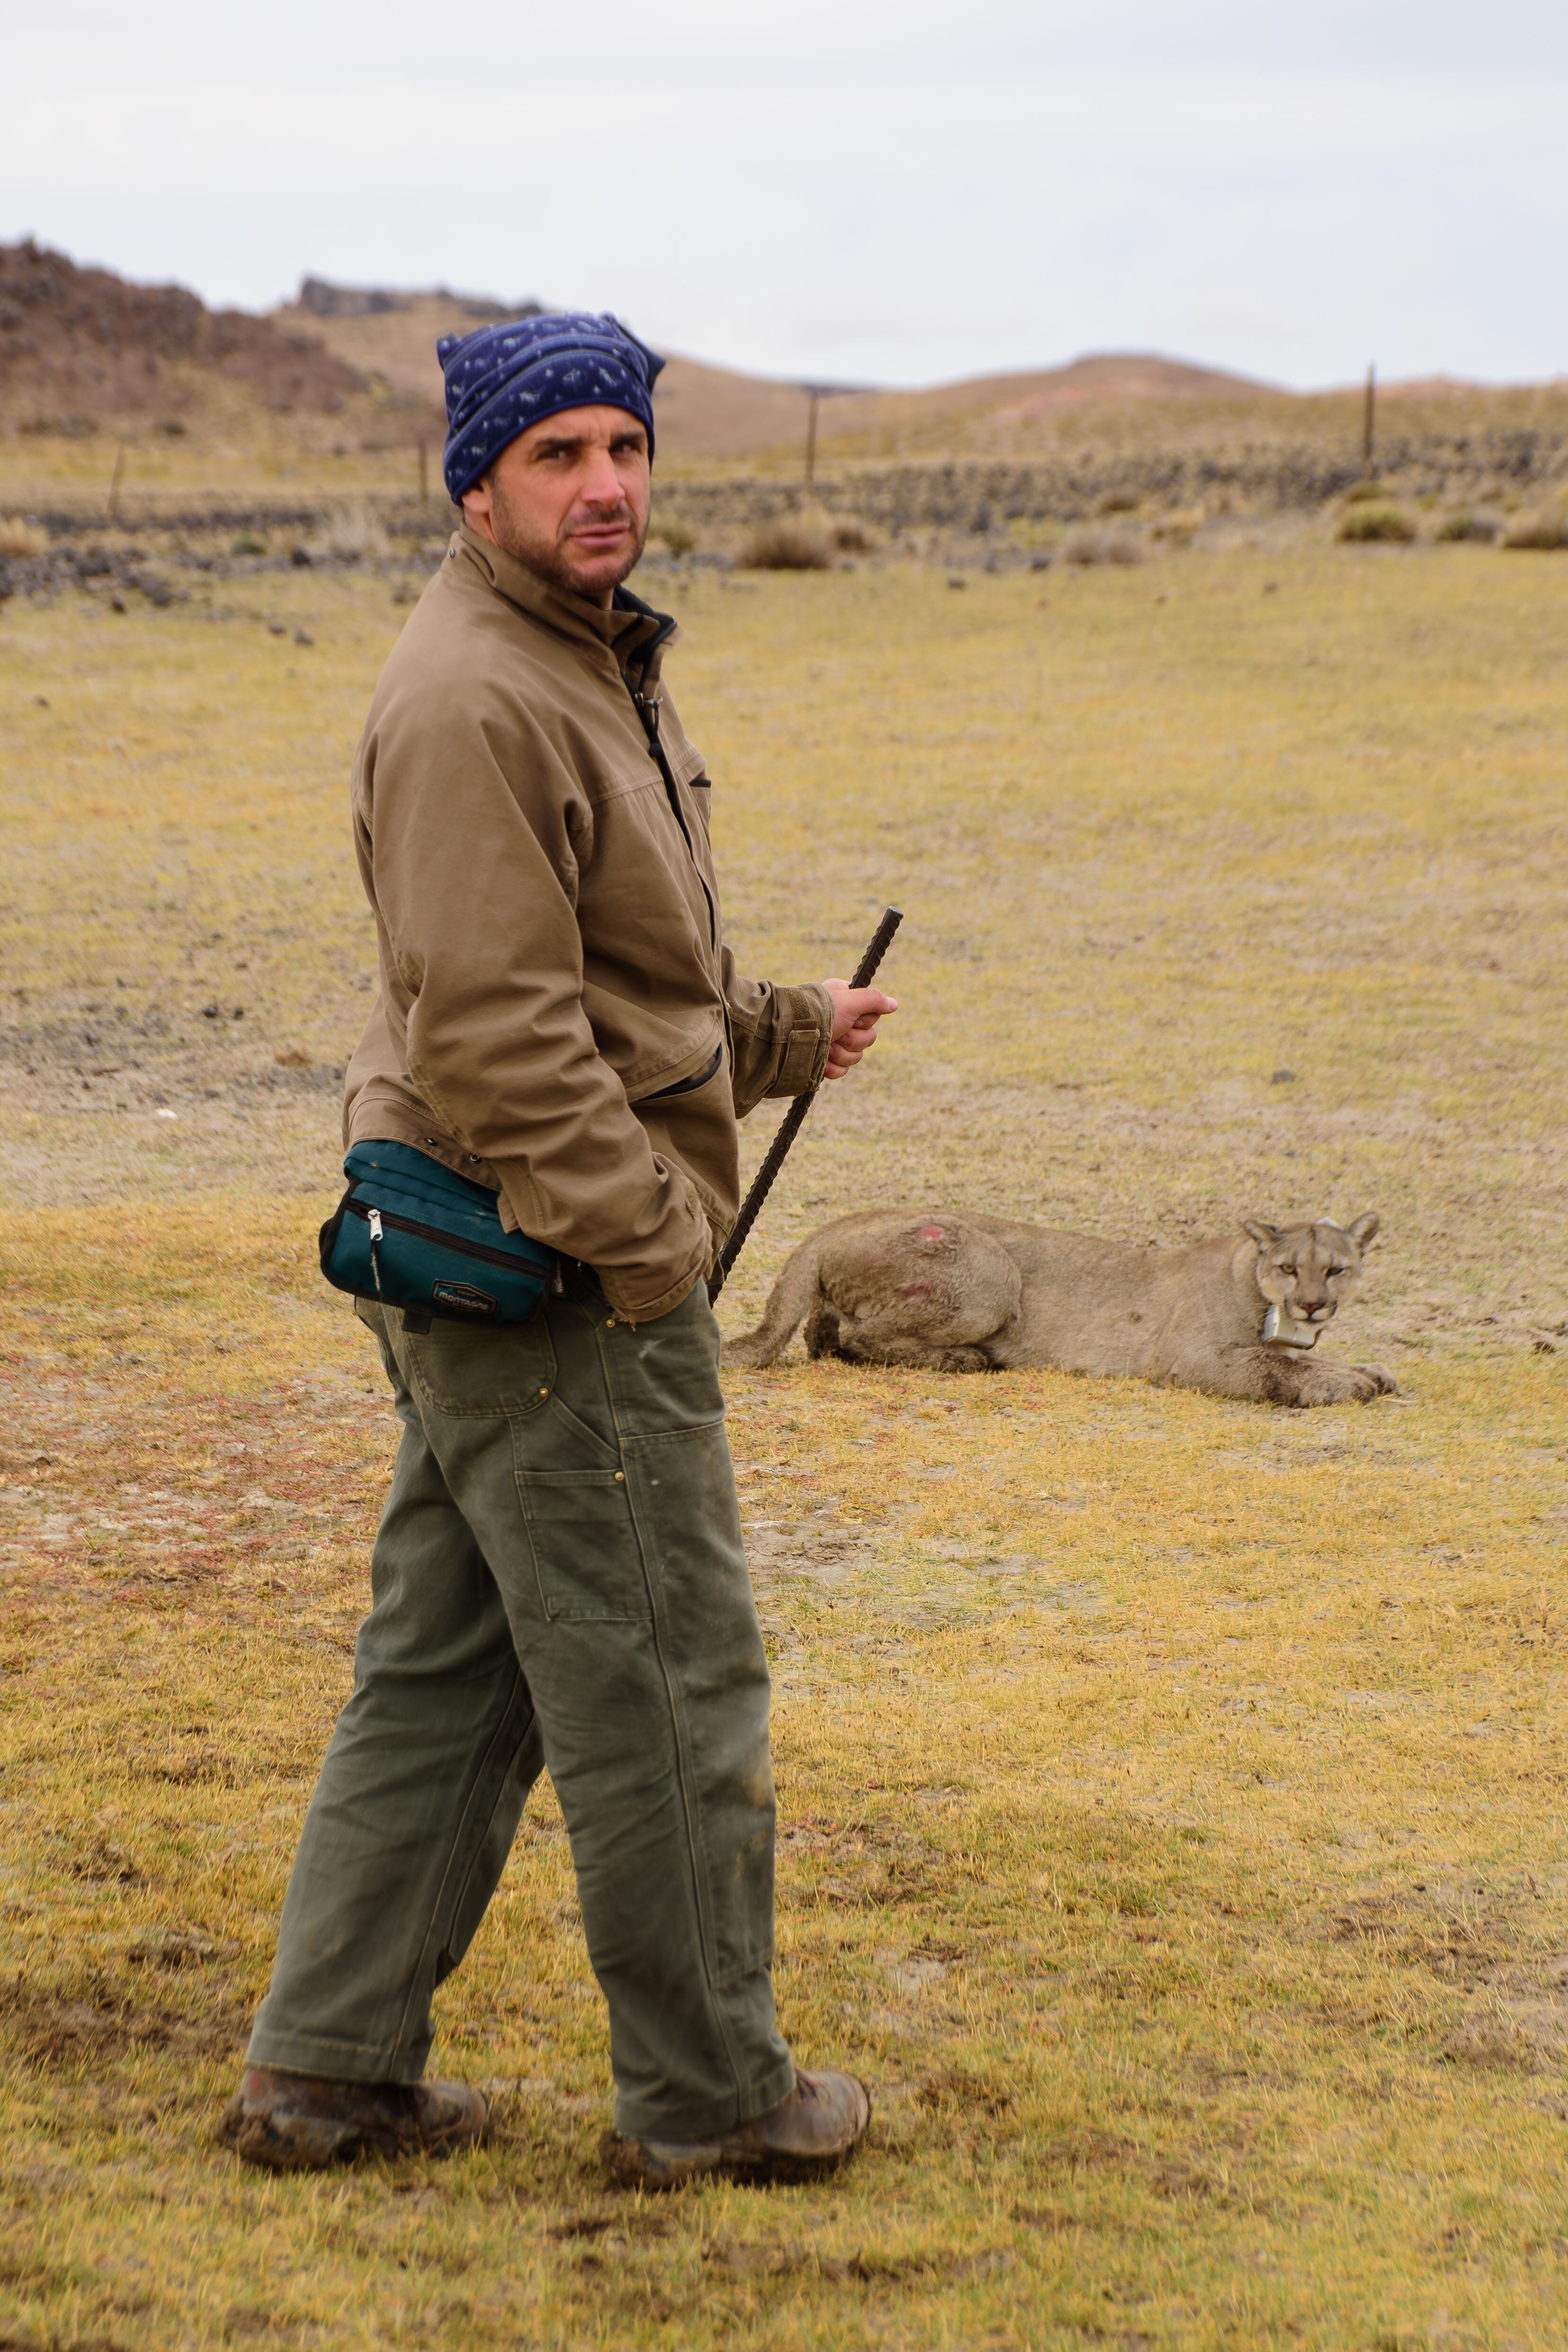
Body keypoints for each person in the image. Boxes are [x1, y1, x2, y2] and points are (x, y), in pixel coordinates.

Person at [217, 313, 897, 2188]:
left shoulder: (570, 662)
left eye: (626, 445)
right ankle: (713, 2097)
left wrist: (779, 1033)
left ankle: (326, 2067)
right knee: (668, 1675)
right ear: (476, 482)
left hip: (526, 1253)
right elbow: (494, 1035)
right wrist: (652, 1252)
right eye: (558, 455)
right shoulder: (473, 698)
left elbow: (612, 985)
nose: (605, 483)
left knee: (460, 1666)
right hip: (553, 1274)